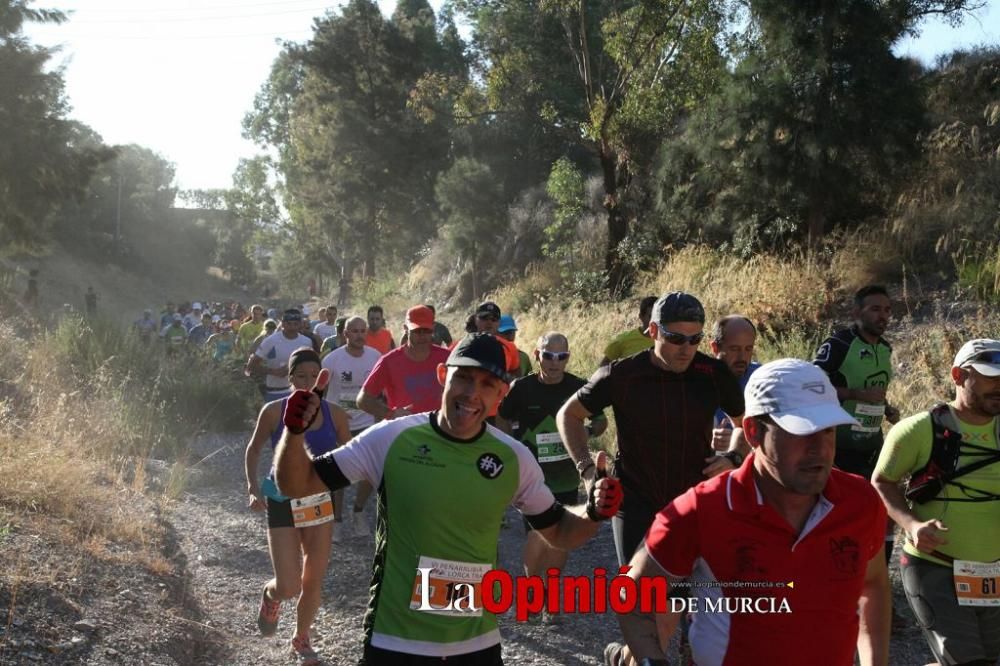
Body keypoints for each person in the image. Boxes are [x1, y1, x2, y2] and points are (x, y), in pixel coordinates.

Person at [273, 333, 623, 664]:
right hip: (396, 640)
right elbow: (298, 484)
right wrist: (294, 431)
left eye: (487, 384)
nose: (472, 394)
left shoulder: (513, 458)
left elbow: (561, 532)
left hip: (476, 643)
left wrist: (594, 510)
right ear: (443, 375)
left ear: (501, 393)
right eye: (464, 379)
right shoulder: (390, 439)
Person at [610, 358, 890, 666]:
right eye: (801, 431)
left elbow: (873, 583)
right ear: (753, 432)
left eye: (828, 430)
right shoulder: (702, 509)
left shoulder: (861, 502)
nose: (820, 448)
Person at [558, 291, 745, 652]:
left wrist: (734, 457)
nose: (685, 349)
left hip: (692, 503)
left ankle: (628, 657)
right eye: (675, 338)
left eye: (693, 339)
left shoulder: (712, 373)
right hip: (637, 501)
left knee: (684, 609)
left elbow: (746, 423)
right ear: (652, 331)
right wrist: (586, 470)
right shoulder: (622, 374)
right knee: (649, 606)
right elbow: (569, 414)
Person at [872, 339, 1000, 666]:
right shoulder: (918, 430)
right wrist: (912, 525)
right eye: (989, 376)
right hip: (936, 568)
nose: (999, 385)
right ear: (958, 376)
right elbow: (882, 482)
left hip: (994, 572)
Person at [245, 348, 351, 666]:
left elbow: (351, 455)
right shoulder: (274, 411)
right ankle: (271, 595)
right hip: (280, 497)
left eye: (313, 376)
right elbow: (253, 449)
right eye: (300, 376)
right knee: (289, 585)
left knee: (312, 580)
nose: (307, 382)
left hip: (319, 501)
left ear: (323, 378)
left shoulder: (336, 414)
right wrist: (252, 487)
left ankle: (301, 639)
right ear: (290, 379)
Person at [496, 332, 607, 621]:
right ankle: (531, 590)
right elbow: (501, 418)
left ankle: (550, 600)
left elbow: (600, 419)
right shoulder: (521, 387)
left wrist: (589, 432)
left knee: (560, 537)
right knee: (536, 535)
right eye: (548, 355)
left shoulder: (579, 386)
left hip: (565, 476)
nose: (555, 362)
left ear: (568, 357)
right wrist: (512, 448)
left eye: (562, 356)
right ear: (537, 355)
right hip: (531, 475)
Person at [813, 285, 899, 480]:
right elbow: (813, 389)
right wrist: (855, 394)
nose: (883, 316)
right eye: (875, 309)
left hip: (873, 445)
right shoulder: (839, 344)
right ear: (856, 313)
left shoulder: (885, 348)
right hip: (840, 447)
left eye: (887, 310)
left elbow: (874, 387)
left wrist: (887, 408)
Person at [321, 315, 380, 538]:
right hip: (339, 424)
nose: (359, 335)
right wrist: (329, 414)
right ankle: (336, 520)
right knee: (338, 474)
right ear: (345, 334)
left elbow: (382, 389)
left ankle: (358, 512)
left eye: (363, 331)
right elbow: (319, 390)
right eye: (354, 331)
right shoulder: (332, 359)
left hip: (366, 422)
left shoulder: (375, 357)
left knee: (369, 471)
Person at [357, 305, 451, 421]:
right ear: (405, 328)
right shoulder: (390, 361)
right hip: (404, 432)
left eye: (426, 331)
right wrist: (391, 414)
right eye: (417, 331)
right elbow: (363, 399)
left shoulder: (447, 358)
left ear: (433, 328)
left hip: (438, 430)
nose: (422, 336)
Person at [709, 315, 761, 452]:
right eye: (734, 349)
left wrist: (739, 442)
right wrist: (709, 440)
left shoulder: (762, 380)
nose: (742, 358)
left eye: (748, 349)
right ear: (715, 348)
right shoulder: (698, 381)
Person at [246, 309, 313, 402]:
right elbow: (251, 366)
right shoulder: (270, 341)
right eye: (289, 324)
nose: (292, 327)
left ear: (300, 324)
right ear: (283, 324)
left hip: (299, 392)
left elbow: (311, 367)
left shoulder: (306, 342)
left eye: (296, 324)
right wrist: (273, 371)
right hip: (275, 392)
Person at [600, 296, 656, 366]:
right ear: (641, 317)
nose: (655, 320)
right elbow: (603, 367)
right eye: (651, 316)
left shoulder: (669, 339)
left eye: (659, 316)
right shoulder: (623, 340)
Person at [497, 315, 532, 379]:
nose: (510, 337)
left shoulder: (523, 357)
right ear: (496, 333)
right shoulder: (490, 355)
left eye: (512, 333)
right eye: (506, 333)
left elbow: (529, 382)